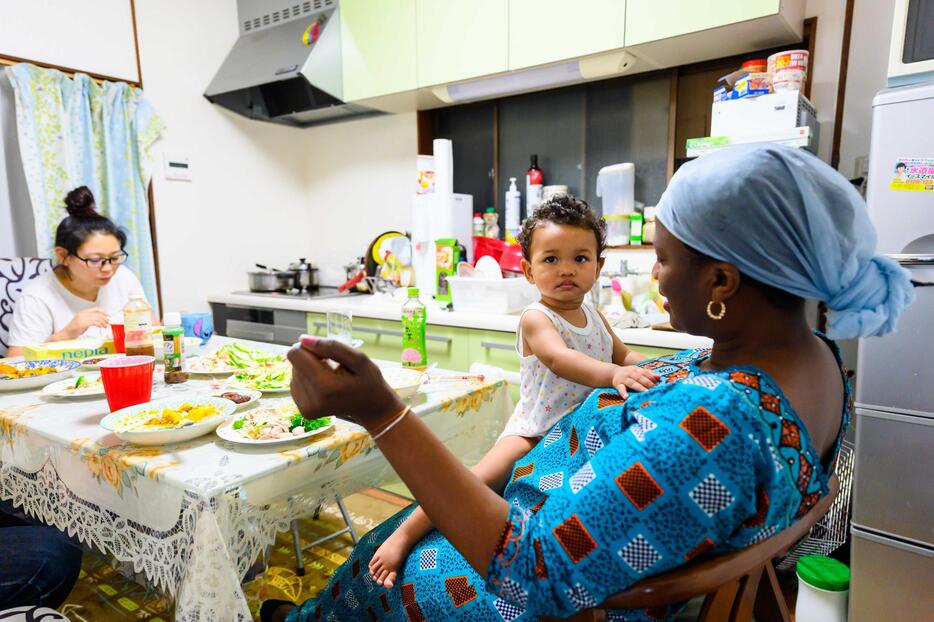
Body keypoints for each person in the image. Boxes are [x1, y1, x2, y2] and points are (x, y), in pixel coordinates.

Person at [265, 145, 914, 622]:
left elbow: (532, 573)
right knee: (405, 528)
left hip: (571, 592)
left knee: (388, 559)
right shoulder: (818, 360)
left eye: (663, 258)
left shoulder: (718, 422)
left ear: (721, 282)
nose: (655, 277)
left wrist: (383, 413)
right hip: (587, 534)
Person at [367, 197, 659, 590]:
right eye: (551, 259)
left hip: (576, 425)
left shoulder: (596, 314)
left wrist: (654, 367)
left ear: (598, 267)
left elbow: (622, 354)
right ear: (527, 270)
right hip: (534, 429)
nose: (567, 269)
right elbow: (560, 359)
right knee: (474, 481)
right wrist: (615, 373)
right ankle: (402, 535)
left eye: (581, 258)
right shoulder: (536, 318)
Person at [6, 186, 155, 358]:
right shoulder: (37, 297)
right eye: (94, 260)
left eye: (114, 258)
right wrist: (66, 334)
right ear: (63, 256)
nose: (108, 268)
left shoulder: (123, 277)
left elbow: (155, 330)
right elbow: (14, 363)